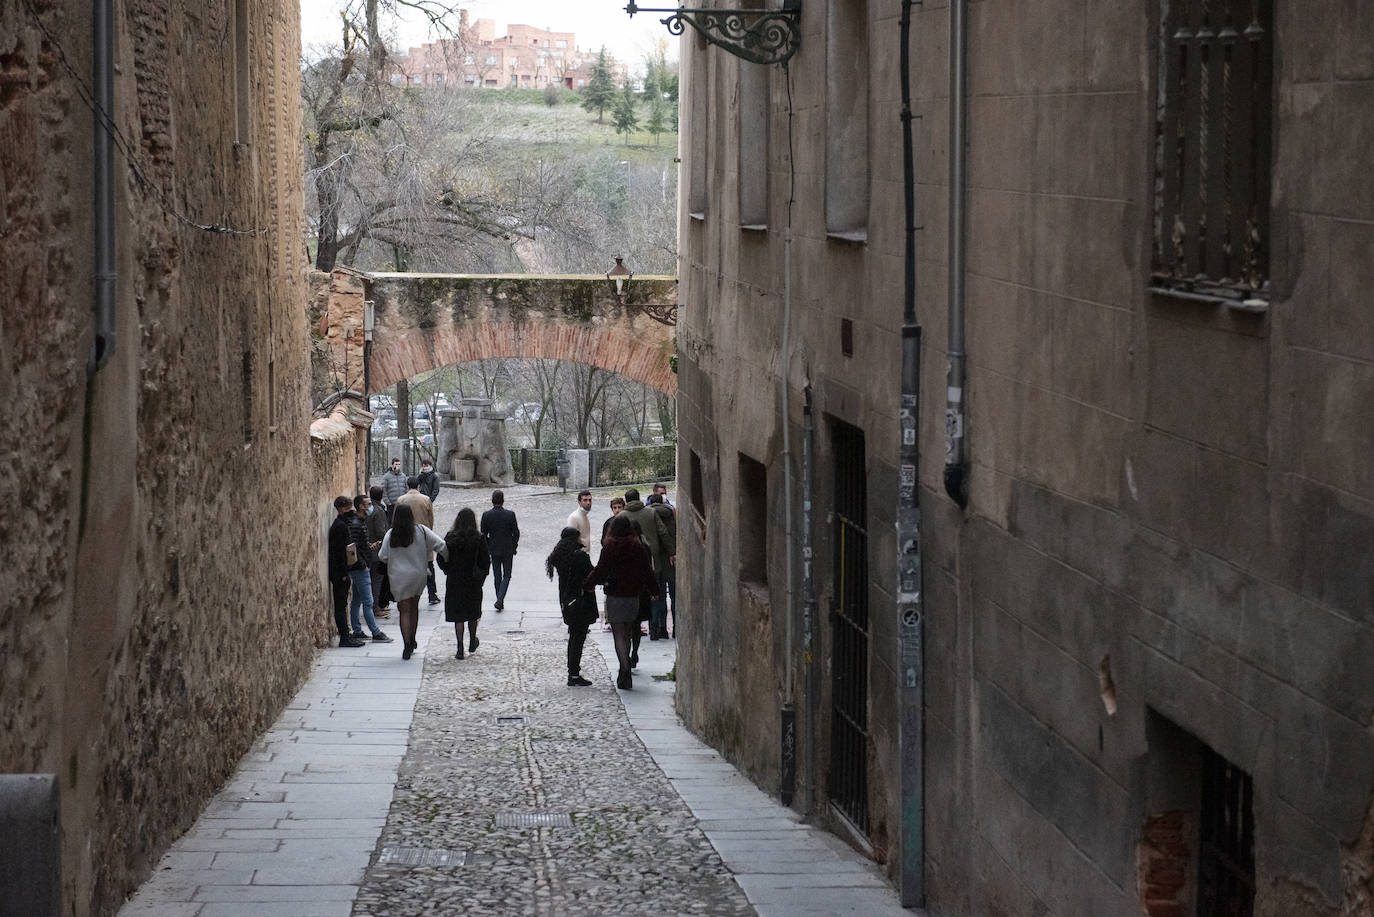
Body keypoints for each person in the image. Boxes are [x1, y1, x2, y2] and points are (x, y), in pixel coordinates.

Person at [586, 515, 658, 691]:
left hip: (616, 595)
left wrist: (589, 584)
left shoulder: (610, 547)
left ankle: (624, 671)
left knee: (619, 635)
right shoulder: (638, 547)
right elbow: (647, 570)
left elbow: (600, 569)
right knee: (627, 632)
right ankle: (626, 668)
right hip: (633, 595)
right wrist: (654, 590)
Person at [378, 503, 446, 660]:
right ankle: (413, 639)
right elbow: (441, 545)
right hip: (417, 575)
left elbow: (383, 556)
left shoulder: (391, 534)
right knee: (414, 608)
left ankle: (406, 644)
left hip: (398, 577)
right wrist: (448, 561)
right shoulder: (421, 531)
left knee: (404, 610)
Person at [547, 526, 598, 687]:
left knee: (574, 637)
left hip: (566, 600)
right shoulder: (579, 556)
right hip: (581, 600)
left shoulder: (558, 557)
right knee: (578, 637)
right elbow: (591, 574)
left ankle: (573, 671)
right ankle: (574, 673)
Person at [621, 487, 675, 640]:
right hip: (653, 561)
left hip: (630, 564)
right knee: (656, 594)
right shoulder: (651, 513)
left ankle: (634, 626)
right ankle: (657, 629)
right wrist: (672, 552)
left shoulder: (622, 516)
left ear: (626, 500)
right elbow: (663, 532)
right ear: (639, 498)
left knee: (634, 595)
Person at [436, 507, 489, 659]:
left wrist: (448, 570)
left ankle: (460, 646)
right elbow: (485, 561)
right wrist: (482, 577)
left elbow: (441, 557)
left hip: (455, 580)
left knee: (459, 615)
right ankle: (472, 639)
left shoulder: (450, 537)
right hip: (473, 581)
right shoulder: (479, 538)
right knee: (472, 612)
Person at [348, 494, 393, 643]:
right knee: (367, 601)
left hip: (360, 566)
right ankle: (375, 632)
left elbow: (360, 545)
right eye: (367, 504)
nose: (370, 507)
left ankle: (357, 630)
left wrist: (369, 546)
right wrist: (363, 565)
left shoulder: (360, 522)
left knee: (356, 600)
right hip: (361, 568)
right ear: (361, 506)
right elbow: (353, 548)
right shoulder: (356, 524)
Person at [327, 496, 366, 648]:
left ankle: (346, 635)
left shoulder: (341, 524)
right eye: (349, 508)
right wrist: (344, 573)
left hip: (340, 572)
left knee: (342, 606)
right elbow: (339, 552)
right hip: (339, 573)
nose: (351, 511)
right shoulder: (340, 527)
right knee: (341, 606)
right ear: (341, 509)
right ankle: (344, 637)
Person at [397, 476, 441, 605]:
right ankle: (432, 594)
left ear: (407, 486)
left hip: (406, 537)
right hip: (423, 536)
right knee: (428, 566)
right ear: (418, 486)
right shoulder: (426, 499)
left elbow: (396, 519)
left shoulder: (401, 500)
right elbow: (430, 519)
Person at [480, 490, 520, 611]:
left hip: (494, 549)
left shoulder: (486, 515)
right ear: (503, 500)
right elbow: (516, 533)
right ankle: (500, 599)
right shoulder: (510, 514)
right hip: (507, 549)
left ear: (492, 500)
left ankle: (499, 598)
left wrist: (488, 546)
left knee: (497, 576)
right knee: (507, 575)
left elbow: (483, 534)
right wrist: (514, 546)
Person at [647, 492, 678, 637]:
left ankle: (659, 629)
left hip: (656, 561)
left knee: (657, 597)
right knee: (674, 596)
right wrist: (673, 552)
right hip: (671, 561)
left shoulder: (649, 515)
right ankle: (676, 628)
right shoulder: (670, 514)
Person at [597, 495, 626, 631]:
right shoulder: (608, 523)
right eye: (615, 508)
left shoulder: (627, 522)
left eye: (619, 507)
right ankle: (609, 619)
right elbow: (603, 541)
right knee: (609, 592)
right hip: (612, 560)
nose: (617, 510)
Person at [365, 485, 391, 618]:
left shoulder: (368, 509)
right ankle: (376, 608)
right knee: (376, 580)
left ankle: (372, 607)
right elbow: (381, 532)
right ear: (381, 496)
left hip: (367, 549)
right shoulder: (378, 511)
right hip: (376, 551)